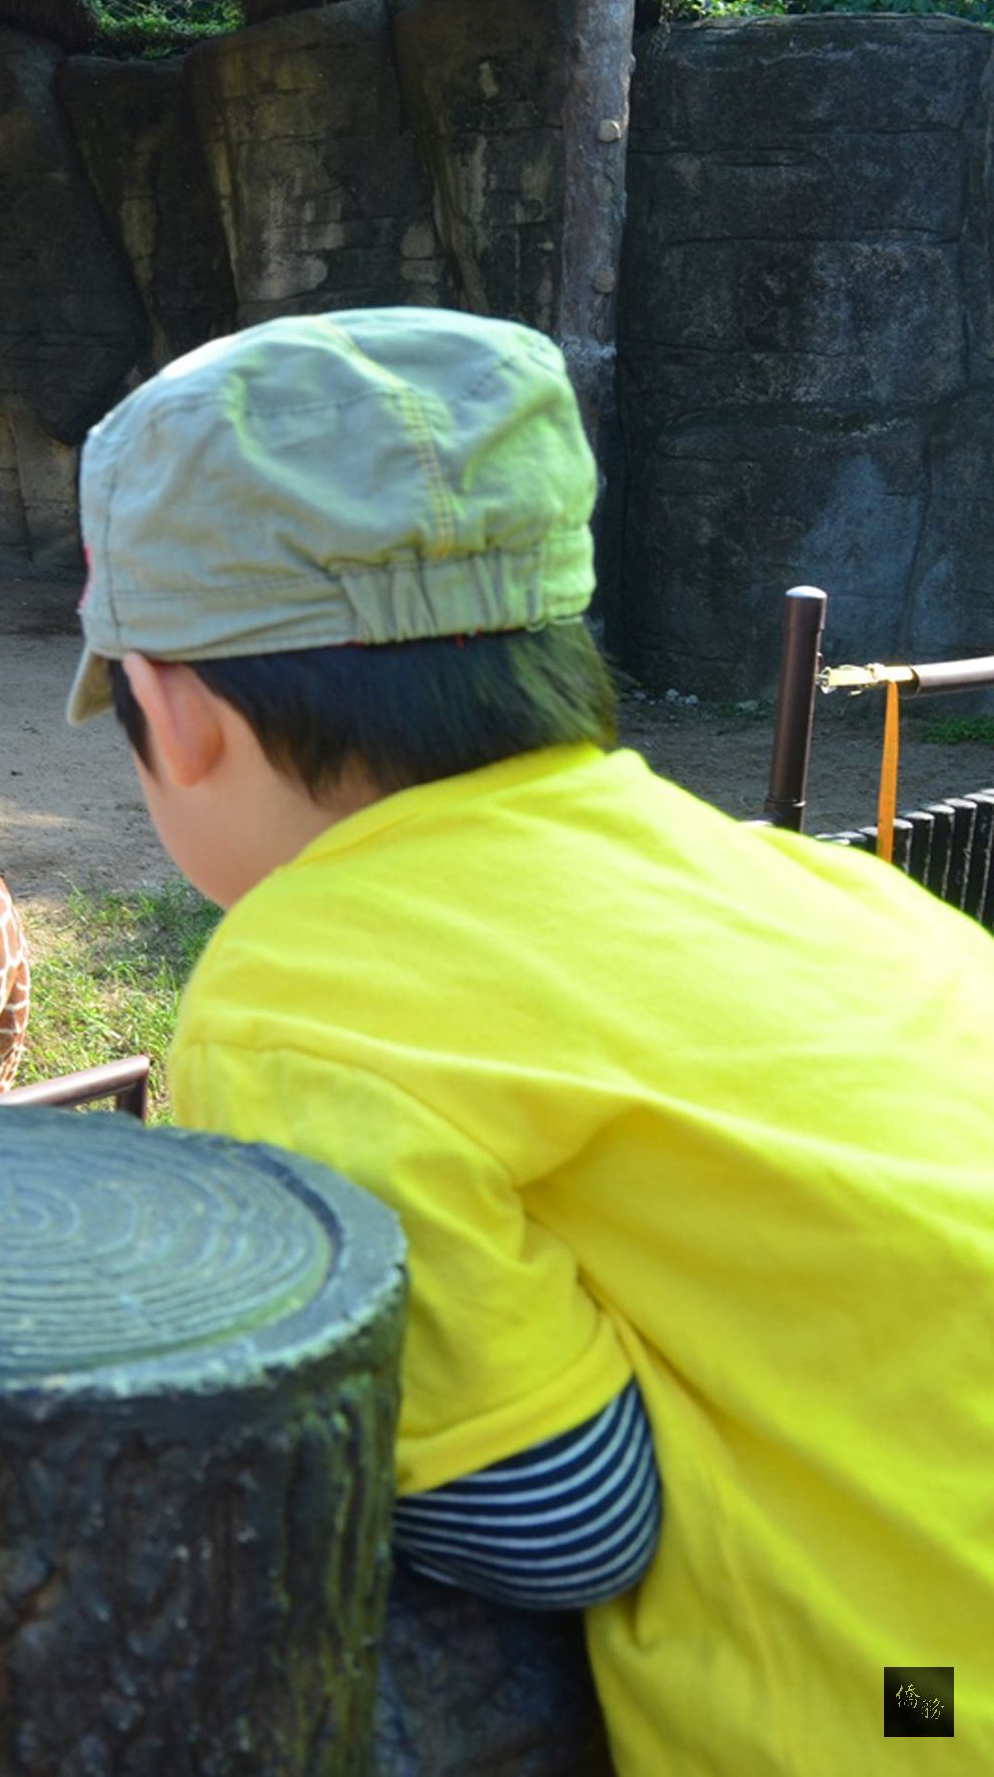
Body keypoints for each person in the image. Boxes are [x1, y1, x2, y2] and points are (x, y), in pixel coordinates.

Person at [66, 306, 994, 1774]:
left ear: (173, 716)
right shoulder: (816, 888)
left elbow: (563, 1521)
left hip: (912, 1720)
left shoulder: (299, 989)